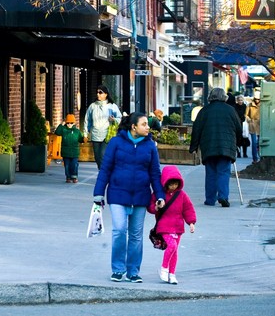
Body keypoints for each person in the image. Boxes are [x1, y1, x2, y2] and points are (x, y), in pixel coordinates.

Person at [93, 112, 166, 283]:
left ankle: (133, 271)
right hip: (118, 193)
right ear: (134, 127)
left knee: (135, 235)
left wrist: (160, 196)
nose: (148, 127)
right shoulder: (116, 143)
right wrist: (98, 193)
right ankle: (118, 269)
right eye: (144, 124)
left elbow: (155, 173)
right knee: (119, 230)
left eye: (148, 124)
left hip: (141, 196)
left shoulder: (150, 146)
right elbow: (105, 169)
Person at [189, 87, 242, 208]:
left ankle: (210, 199)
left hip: (209, 146)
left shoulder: (204, 111)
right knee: (223, 172)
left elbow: (196, 129)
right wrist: (237, 143)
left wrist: (193, 147)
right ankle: (223, 196)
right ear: (224, 97)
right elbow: (238, 129)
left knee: (211, 173)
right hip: (227, 147)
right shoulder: (230, 110)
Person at [147, 165, 197, 285]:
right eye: (171, 184)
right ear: (165, 183)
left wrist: (191, 222)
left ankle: (172, 273)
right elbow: (150, 206)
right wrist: (156, 207)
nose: (173, 186)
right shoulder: (159, 195)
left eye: (175, 184)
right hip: (164, 226)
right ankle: (164, 268)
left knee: (175, 251)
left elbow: (188, 209)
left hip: (178, 227)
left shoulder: (182, 195)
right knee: (172, 246)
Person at [83, 85, 122, 169]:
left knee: (102, 155)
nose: (98, 94)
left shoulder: (112, 106)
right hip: (95, 135)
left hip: (107, 135)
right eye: (97, 92)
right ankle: (103, 173)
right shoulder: (92, 106)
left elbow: (120, 118)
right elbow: (87, 121)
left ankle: (105, 174)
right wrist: (85, 134)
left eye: (100, 92)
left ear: (106, 94)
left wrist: (114, 119)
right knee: (97, 158)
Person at [54, 114, 84, 183]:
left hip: (74, 152)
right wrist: (61, 124)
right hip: (66, 151)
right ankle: (68, 176)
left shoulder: (77, 131)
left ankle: (74, 176)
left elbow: (80, 139)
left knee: (74, 164)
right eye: (68, 123)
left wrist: (83, 139)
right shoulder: (63, 129)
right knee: (67, 165)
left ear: (74, 123)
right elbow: (57, 132)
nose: (69, 124)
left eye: (71, 123)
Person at [245, 89, 261, 164]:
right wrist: (249, 120)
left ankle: (261, 157)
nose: (257, 100)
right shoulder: (250, 105)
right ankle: (255, 158)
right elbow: (246, 114)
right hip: (253, 125)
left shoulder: (263, 105)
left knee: (260, 143)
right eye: (256, 99)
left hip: (261, 125)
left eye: (258, 99)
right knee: (254, 143)